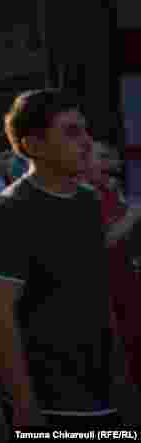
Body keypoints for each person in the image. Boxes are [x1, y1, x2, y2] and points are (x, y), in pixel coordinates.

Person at [0, 89, 120, 431]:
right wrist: (26, 408)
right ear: (33, 145)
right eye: (71, 132)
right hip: (51, 403)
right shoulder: (10, 212)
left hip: (104, 395)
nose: (87, 142)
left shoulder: (88, 201)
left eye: (85, 130)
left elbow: (97, 296)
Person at [84, 139, 141, 388]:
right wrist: (132, 214)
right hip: (105, 290)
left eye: (112, 158)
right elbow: (102, 241)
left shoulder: (108, 189)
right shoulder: (84, 195)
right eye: (103, 157)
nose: (112, 164)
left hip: (126, 281)